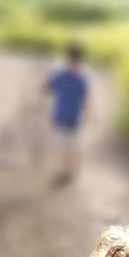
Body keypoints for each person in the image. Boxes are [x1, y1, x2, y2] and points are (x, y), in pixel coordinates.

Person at [45, 44, 90, 184]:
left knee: (70, 146)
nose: (73, 63)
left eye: (75, 61)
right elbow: (46, 87)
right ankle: (65, 171)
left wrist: (88, 115)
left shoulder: (78, 79)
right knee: (64, 146)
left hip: (72, 118)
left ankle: (68, 171)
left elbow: (84, 100)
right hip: (62, 117)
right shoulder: (65, 76)